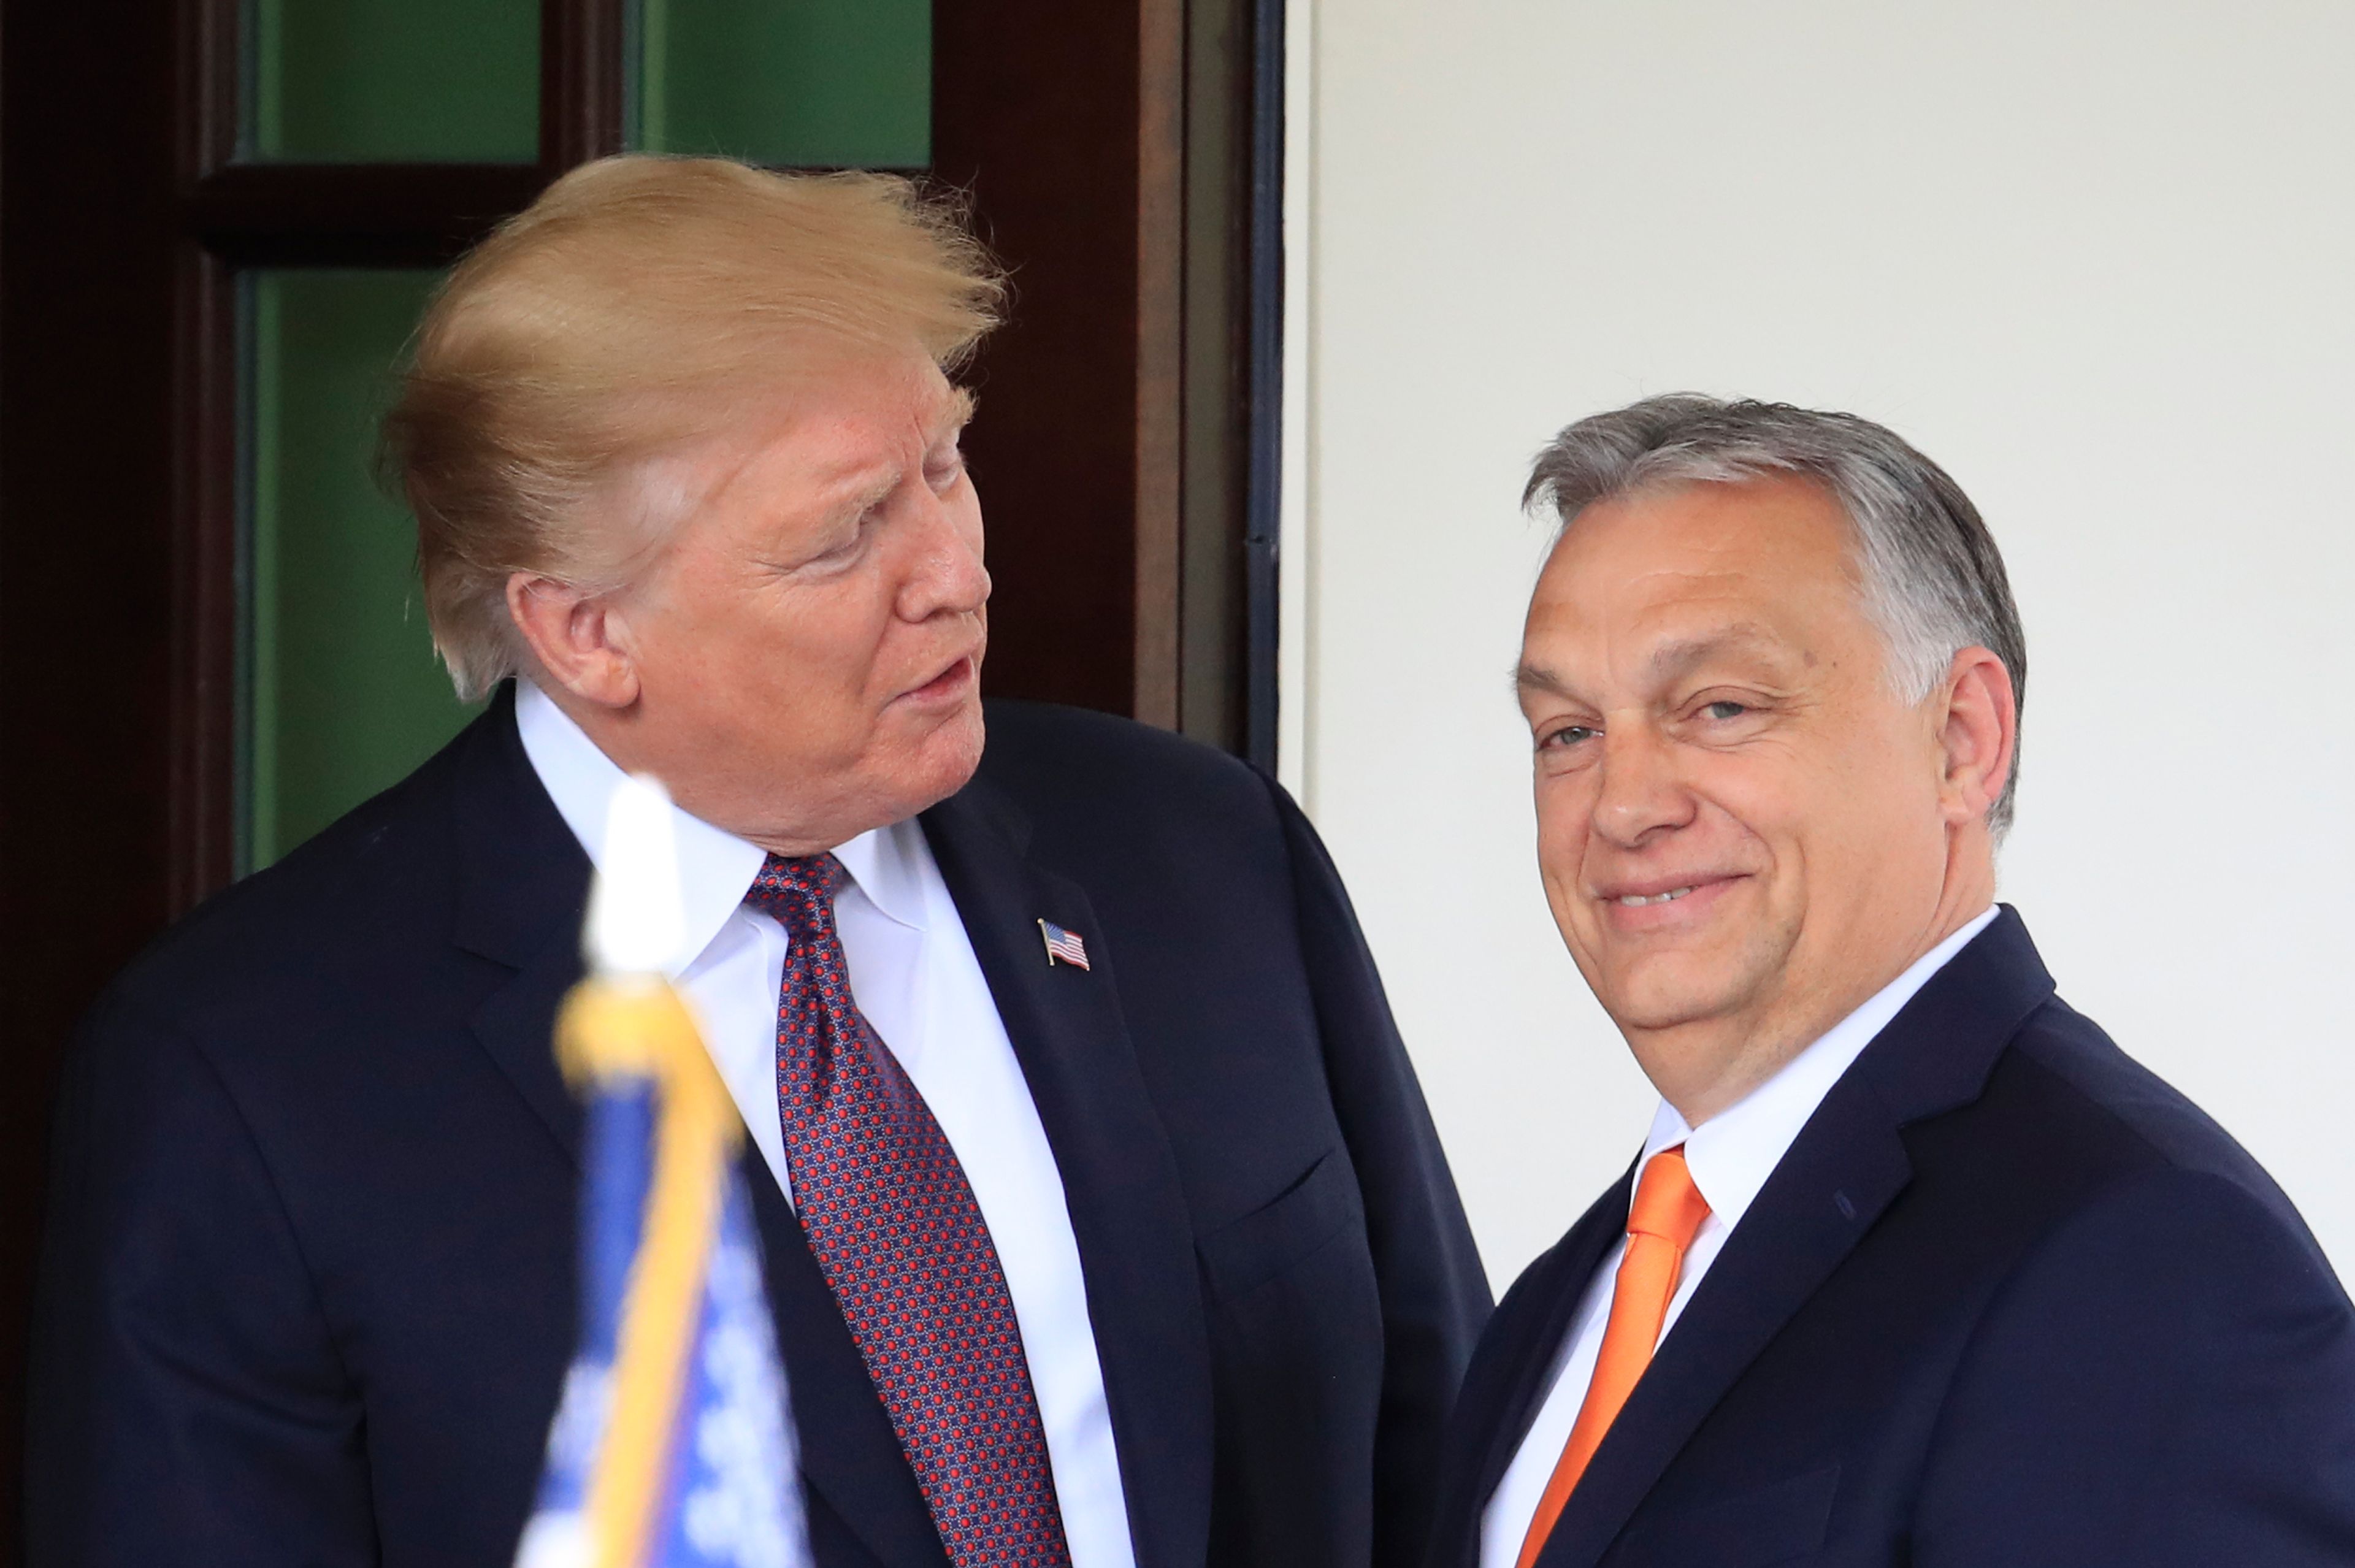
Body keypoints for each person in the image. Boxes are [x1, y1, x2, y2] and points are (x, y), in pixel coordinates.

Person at [26, 156, 1490, 1568]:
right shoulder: (244, 1080)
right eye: (844, 534)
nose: (958, 570)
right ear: (585, 629)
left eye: (944, 461)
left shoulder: (1200, 851)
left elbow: (1448, 1460)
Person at [1422, 396, 2355, 1568]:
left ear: (1963, 739)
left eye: (1720, 707)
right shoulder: (1561, 1302)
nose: (1622, 803)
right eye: (1567, 731)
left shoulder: (2143, 1260)